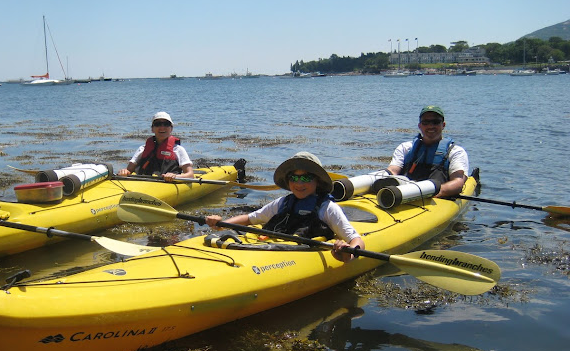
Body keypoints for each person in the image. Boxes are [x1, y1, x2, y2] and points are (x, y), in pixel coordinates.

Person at [205, 152, 365, 263]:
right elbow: (249, 219)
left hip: (296, 258)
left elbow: (356, 240)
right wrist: (221, 224)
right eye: (294, 177)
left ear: (317, 181)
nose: (299, 183)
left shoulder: (327, 208)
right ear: (288, 181)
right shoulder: (283, 203)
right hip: (271, 251)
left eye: (306, 178)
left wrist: (348, 254)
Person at [386, 105, 469, 198]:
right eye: (425, 122)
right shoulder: (405, 148)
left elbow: (458, 182)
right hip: (403, 195)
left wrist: (425, 193)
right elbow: (393, 170)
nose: (430, 126)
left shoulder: (455, 151)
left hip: (436, 199)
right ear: (419, 125)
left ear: (443, 125)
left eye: (436, 122)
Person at [117, 111, 194, 182]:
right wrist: (124, 172)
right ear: (152, 129)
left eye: (166, 124)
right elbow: (129, 170)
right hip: (143, 183)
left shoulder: (178, 150)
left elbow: (190, 175)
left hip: (168, 184)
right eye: (158, 124)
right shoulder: (142, 149)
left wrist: (175, 176)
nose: (162, 127)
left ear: (171, 128)